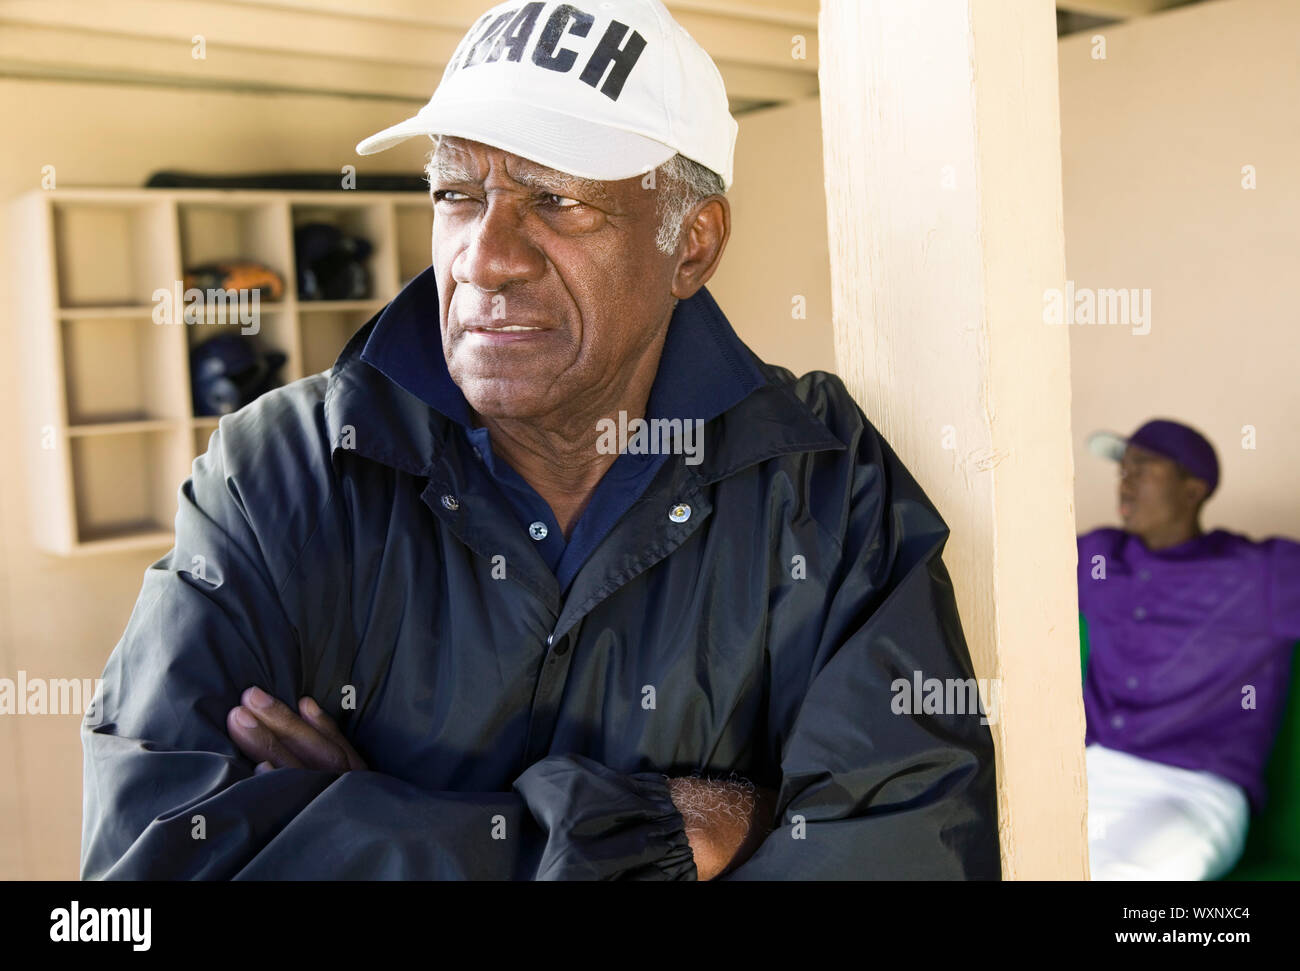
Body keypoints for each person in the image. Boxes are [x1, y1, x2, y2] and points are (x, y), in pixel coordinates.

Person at [80, 0, 1000, 880]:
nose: (484, 256)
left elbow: (904, 851)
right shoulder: (280, 472)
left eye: (556, 199)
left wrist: (366, 816)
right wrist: (666, 836)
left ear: (693, 244)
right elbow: (150, 873)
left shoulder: (824, 490)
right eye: (455, 192)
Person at [1079, 418, 1300, 880]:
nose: (1126, 478)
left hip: (1191, 792)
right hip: (1086, 775)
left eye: (1144, 466)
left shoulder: (1261, 575)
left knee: (1123, 873)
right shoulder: (1099, 557)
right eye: (1122, 467)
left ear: (1193, 489)